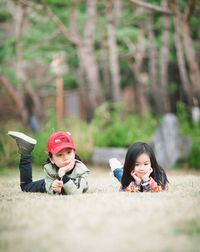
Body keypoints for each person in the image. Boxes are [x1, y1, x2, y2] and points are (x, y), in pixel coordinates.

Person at [8, 131, 90, 195]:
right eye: (60, 155)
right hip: (49, 183)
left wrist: (62, 174)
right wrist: (53, 188)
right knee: (25, 186)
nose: (66, 158)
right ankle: (25, 149)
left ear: (74, 152)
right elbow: (50, 187)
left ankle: (64, 137)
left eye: (69, 152)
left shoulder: (81, 170)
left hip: (67, 181)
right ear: (51, 159)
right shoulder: (49, 168)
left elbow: (75, 192)